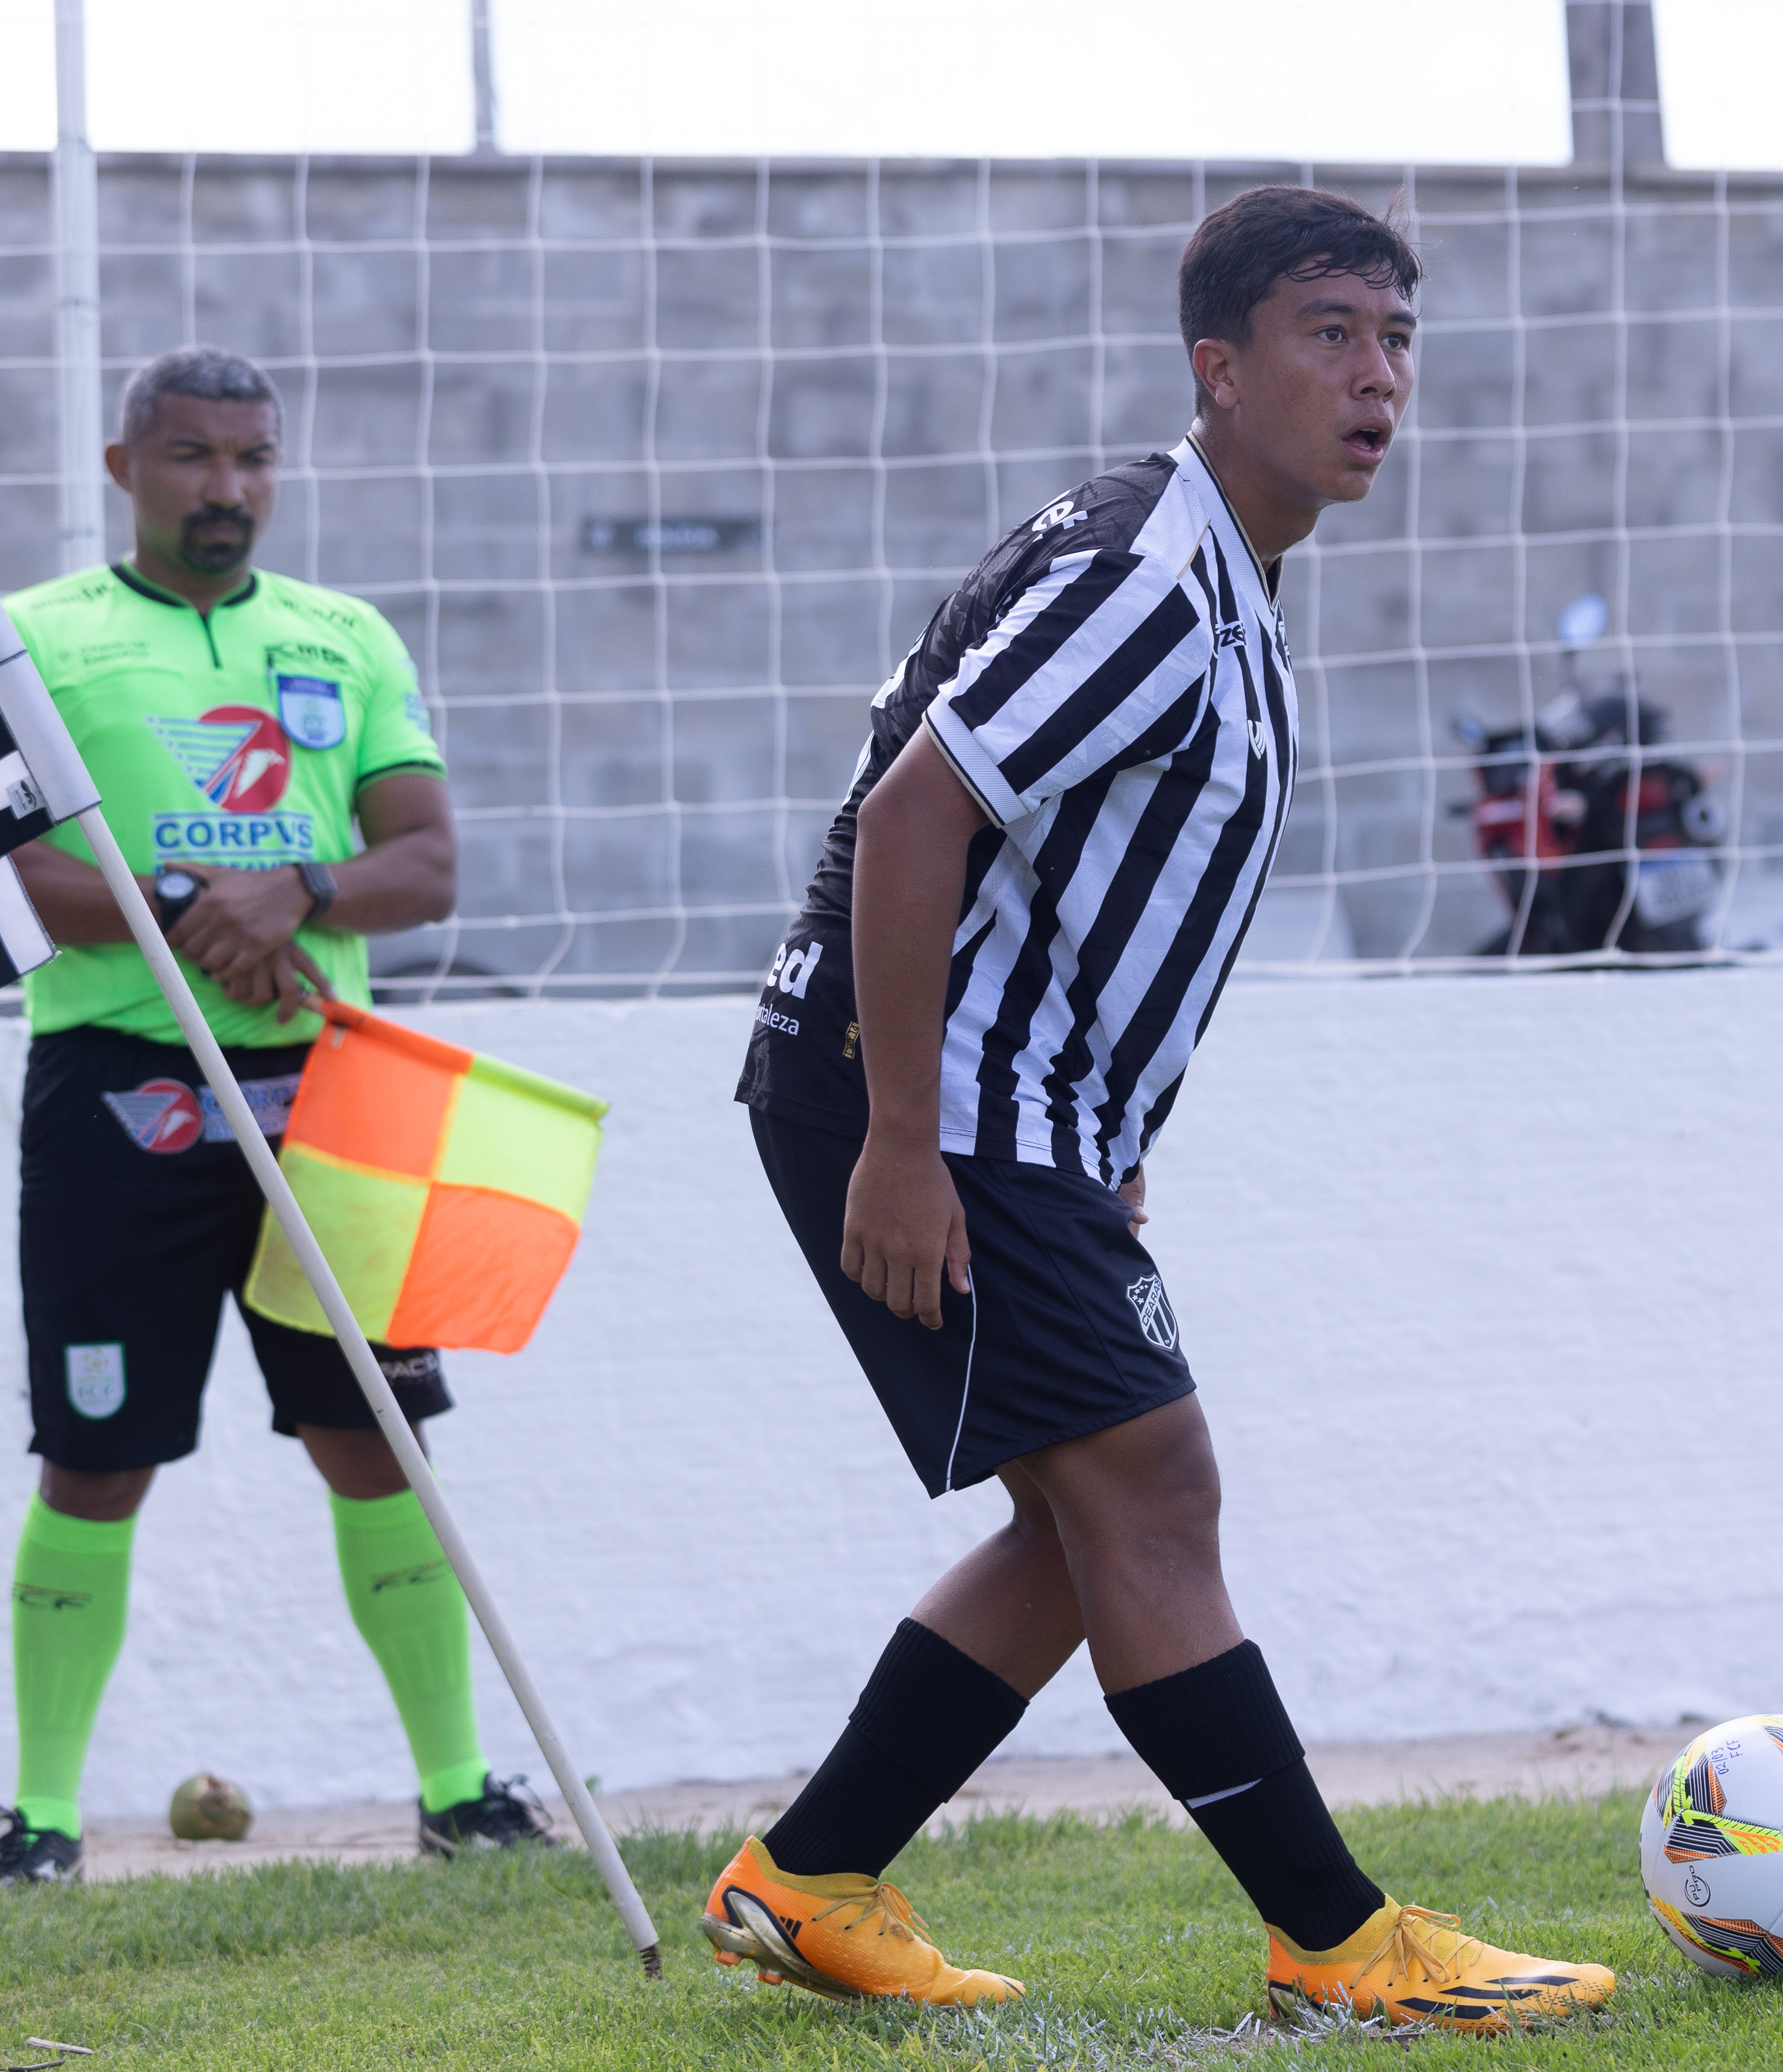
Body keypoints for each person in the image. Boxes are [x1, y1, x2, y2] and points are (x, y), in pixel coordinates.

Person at [720, 187, 1616, 2030]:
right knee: (1155, 1488)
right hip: (932, 1100)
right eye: (1327, 335)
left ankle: (808, 1877)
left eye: (1395, 340)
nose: (1375, 378)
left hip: (1007, 1109)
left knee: (1084, 1521)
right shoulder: (1149, 569)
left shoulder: (1210, 568)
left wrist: (1101, 1148)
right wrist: (902, 1134)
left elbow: (1083, 890)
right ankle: (1339, 1942)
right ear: (1220, 367)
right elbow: (912, 817)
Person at [0, 345, 546, 1883]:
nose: (225, 488)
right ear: (124, 470)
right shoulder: (37, 641)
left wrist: (298, 887)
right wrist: (181, 906)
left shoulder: (342, 639)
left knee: (380, 1440)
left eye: (252, 459)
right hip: (118, 1094)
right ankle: (36, 1823)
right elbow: (10, 878)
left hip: (332, 1095)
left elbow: (428, 864)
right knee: (97, 1456)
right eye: (191, 458)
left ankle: (463, 1793)